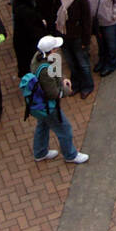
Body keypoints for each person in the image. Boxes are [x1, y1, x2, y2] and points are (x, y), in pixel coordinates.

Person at [26, 36, 90, 164]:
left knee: (43, 125)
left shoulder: (38, 57)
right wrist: (67, 89)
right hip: (48, 106)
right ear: (51, 50)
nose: (58, 49)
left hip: (39, 105)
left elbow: (56, 70)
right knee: (65, 129)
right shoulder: (45, 70)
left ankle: (40, 152)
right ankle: (70, 155)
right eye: (55, 48)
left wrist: (62, 78)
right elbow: (53, 93)